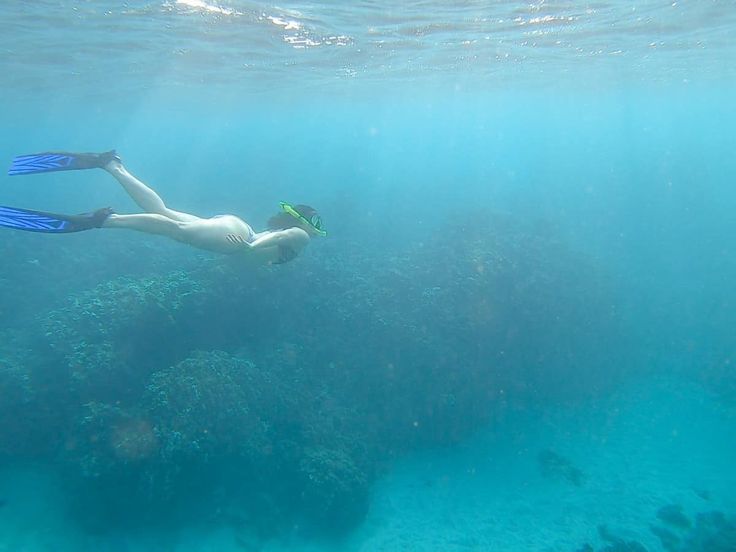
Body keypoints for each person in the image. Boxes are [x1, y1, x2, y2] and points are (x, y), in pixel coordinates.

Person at [1, 151, 325, 265]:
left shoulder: (290, 228)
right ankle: (104, 220)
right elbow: (263, 244)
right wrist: (250, 248)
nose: (316, 227)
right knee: (175, 230)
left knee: (167, 214)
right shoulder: (302, 236)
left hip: (233, 225)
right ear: (304, 221)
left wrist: (252, 243)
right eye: (316, 222)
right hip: (238, 239)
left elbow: (268, 239)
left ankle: (111, 164)